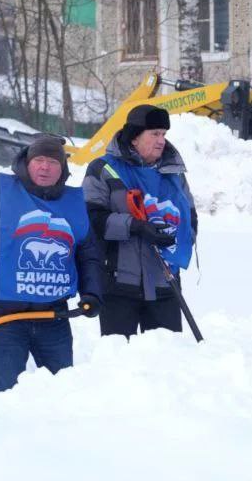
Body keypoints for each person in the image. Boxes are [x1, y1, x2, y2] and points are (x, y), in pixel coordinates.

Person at [0, 135, 102, 393]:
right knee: (8, 393)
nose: (45, 167)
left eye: (53, 161)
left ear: (63, 168)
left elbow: (88, 253)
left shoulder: (75, 202)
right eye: (39, 160)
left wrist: (92, 292)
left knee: (63, 391)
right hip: (4, 315)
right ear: (27, 162)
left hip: (54, 314)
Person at [82, 104, 197, 337]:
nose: (161, 140)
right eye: (154, 133)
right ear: (134, 137)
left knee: (168, 362)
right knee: (120, 363)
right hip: (119, 284)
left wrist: (176, 238)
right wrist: (135, 226)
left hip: (165, 284)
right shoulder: (104, 169)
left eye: (164, 134)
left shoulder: (173, 173)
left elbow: (190, 217)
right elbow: (91, 219)